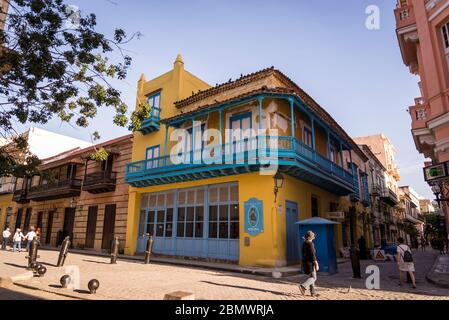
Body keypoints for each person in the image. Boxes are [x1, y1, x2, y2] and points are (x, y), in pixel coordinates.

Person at [299, 231, 320, 297]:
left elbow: (302, 254)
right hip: (310, 263)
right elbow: (312, 254)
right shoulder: (310, 244)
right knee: (314, 278)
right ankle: (303, 286)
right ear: (311, 237)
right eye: (313, 235)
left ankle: (313, 292)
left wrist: (302, 262)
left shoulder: (304, 243)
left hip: (306, 262)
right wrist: (316, 263)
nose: (314, 236)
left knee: (311, 277)